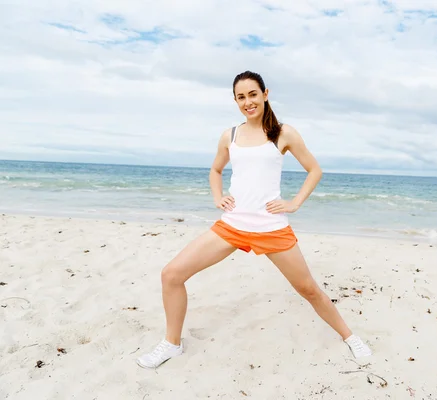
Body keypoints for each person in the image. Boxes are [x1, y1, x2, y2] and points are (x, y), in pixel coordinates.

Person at [136, 71, 372, 369]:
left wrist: (295, 202)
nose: (248, 102)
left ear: (265, 94)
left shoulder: (283, 133)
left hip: (270, 227)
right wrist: (217, 197)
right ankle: (171, 344)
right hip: (232, 226)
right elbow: (215, 170)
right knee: (171, 275)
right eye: (241, 97)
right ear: (235, 101)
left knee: (308, 289)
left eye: (252, 94)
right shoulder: (230, 136)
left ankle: (350, 337)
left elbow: (315, 170)